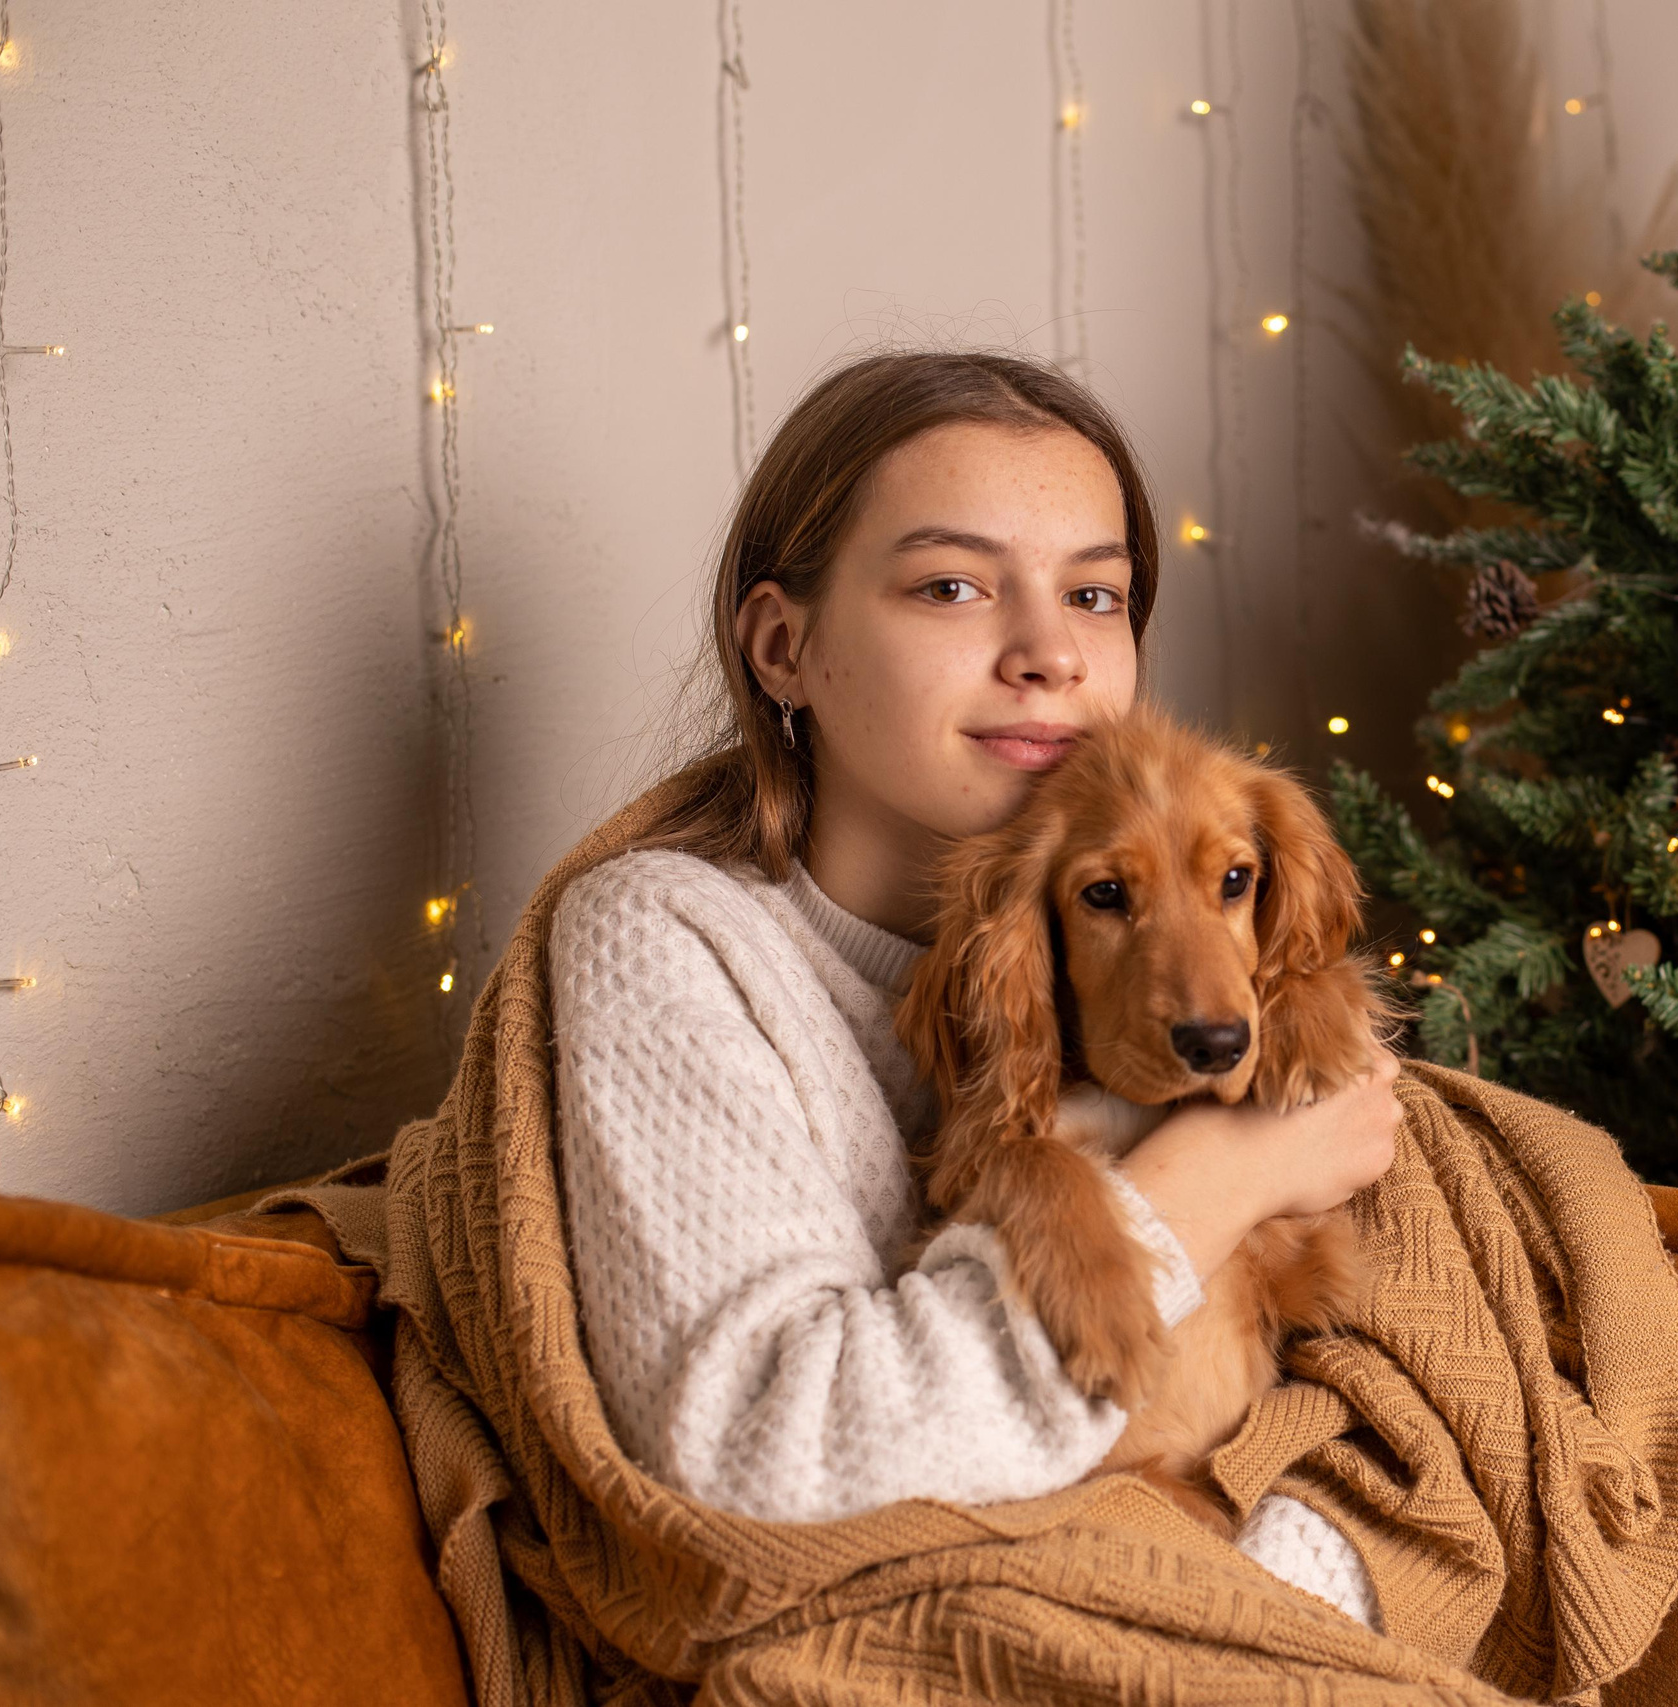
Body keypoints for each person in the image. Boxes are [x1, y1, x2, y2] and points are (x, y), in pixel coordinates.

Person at [546, 351, 1403, 1629]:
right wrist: (1230, 1170)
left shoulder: (1216, 913)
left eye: (1096, 595)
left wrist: (1265, 1593)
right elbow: (761, 1465)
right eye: (951, 586)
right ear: (785, 648)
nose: (1048, 653)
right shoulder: (670, 937)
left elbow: (1397, 1401)